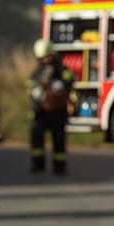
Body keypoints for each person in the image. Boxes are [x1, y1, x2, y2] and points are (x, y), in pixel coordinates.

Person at [29, 38, 74, 174]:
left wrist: (61, 84)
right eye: (43, 57)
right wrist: (35, 91)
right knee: (37, 137)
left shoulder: (61, 69)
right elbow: (30, 85)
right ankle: (38, 165)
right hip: (41, 111)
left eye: (48, 56)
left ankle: (59, 166)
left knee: (59, 139)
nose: (46, 60)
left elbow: (70, 78)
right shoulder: (37, 72)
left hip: (58, 111)